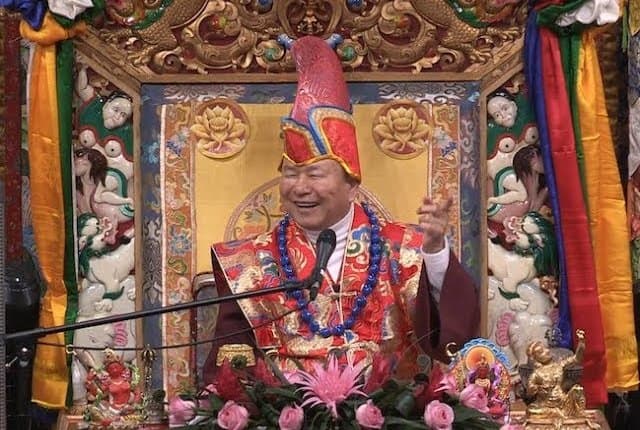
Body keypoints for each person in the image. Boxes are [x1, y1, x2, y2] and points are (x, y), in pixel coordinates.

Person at [203, 35, 479, 382]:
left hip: (390, 407)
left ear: (352, 185)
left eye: (315, 174)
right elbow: (230, 365)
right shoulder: (249, 263)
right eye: (291, 174)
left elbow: (453, 336)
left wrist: (435, 253)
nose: (300, 187)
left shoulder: (403, 249)